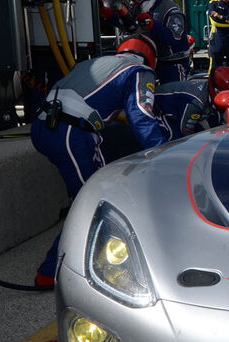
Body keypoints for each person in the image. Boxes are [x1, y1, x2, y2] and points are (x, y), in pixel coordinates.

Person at [30, 35, 165, 286]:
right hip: (69, 131)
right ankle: (51, 272)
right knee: (94, 202)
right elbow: (141, 117)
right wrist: (165, 155)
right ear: (150, 57)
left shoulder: (94, 63)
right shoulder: (139, 70)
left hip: (43, 126)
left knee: (93, 194)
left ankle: (91, 259)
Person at [127, 0, 191, 83]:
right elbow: (128, 26)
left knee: (173, 97)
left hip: (173, 63)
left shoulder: (170, 9)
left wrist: (152, 24)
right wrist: (111, 14)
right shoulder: (137, 8)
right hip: (149, 61)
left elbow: (175, 38)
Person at [154, 66, 229, 138]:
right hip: (157, 108)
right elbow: (185, 131)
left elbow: (218, 126)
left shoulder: (212, 99)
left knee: (203, 135)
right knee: (174, 138)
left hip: (181, 114)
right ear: (216, 91)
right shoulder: (197, 102)